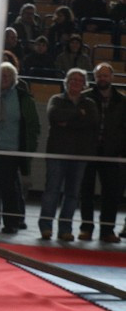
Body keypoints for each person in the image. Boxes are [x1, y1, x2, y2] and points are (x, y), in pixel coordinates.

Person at [39, 67, 99, 241]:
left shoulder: (89, 104)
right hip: (57, 154)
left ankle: (65, 229)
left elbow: (92, 121)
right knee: (52, 191)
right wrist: (78, 115)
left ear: (84, 85)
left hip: (79, 155)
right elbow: (54, 116)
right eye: (73, 80)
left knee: (72, 194)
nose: (76, 83)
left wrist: (68, 121)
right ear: (66, 82)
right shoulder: (56, 99)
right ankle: (46, 227)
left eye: (80, 81)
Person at [0, 62, 40, 234]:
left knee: (9, 188)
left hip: (12, 150)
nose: (3, 79)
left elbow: (32, 125)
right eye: (1, 75)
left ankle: (11, 222)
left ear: (13, 79)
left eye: (7, 76)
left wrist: (28, 150)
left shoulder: (22, 98)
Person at [78, 63, 126, 243]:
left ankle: (107, 231)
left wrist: (122, 151)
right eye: (99, 76)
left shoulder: (122, 101)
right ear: (94, 77)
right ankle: (86, 229)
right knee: (86, 192)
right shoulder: (84, 97)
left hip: (112, 153)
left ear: (112, 77)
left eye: (105, 75)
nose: (102, 79)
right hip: (89, 152)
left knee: (111, 194)